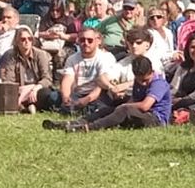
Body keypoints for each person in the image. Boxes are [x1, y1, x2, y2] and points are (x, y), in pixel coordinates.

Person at [44, 55, 172, 132]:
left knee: (124, 110)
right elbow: (133, 100)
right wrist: (119, 107)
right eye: (140, 80)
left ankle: (90, 128)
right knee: (109, 110)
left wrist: (124, 107)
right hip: (141, 115)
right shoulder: (139, 80)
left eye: (146, 80)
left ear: (152, 71)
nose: (143, 84)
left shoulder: (158, 83)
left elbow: (145, 106)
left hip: (156, 119)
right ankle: (76, 123)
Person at [51, 28, 118, 116]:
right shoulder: (72, 58)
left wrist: (86, 100)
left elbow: (101, 85)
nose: (85, 43)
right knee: (53, 97)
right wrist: (66, 98)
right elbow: (67, 80)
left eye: (89, 40)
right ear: (78, 41)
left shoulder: (106, 58)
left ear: (98, 41)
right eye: (82, 40)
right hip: (77, 93)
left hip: (98, 95)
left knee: (99, 105)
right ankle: (72, 108)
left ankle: (79, 110)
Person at [0, 26, 55, 112]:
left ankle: (23, 106)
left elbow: (47, 78)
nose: (27, 42)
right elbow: (9, 81)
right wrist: (22, 90)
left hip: (37, 90)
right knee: (3, 93)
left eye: (30, 39)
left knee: (47, 94)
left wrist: (34, 88)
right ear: (17, 42)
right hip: (19, 90)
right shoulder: (11, 56)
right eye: (23, 39)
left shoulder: (41, 55)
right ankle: (27, 106)